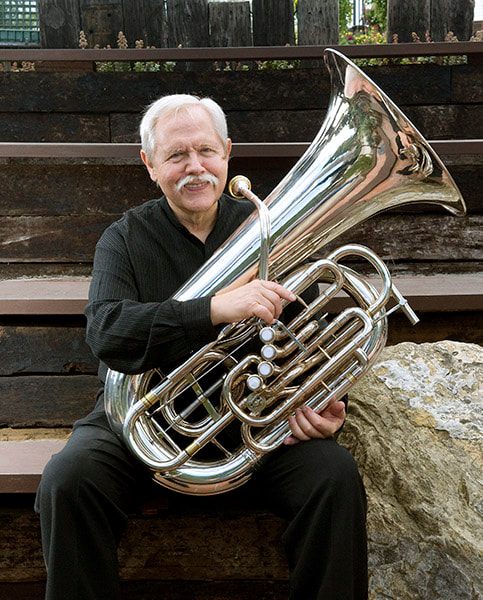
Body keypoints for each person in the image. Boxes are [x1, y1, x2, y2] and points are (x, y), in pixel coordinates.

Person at [35, 94, 368, 600]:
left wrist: (318, 404)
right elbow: (106, 331)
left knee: (335, 478)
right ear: (150, 165)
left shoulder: (270, 231)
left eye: (207, 152)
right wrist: (213, 309)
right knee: (66, 482)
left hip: (251, 425)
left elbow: (314, 345)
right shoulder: (123, 239)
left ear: (228, 153)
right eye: (176, 155)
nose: (196, 168)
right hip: (139, 423)